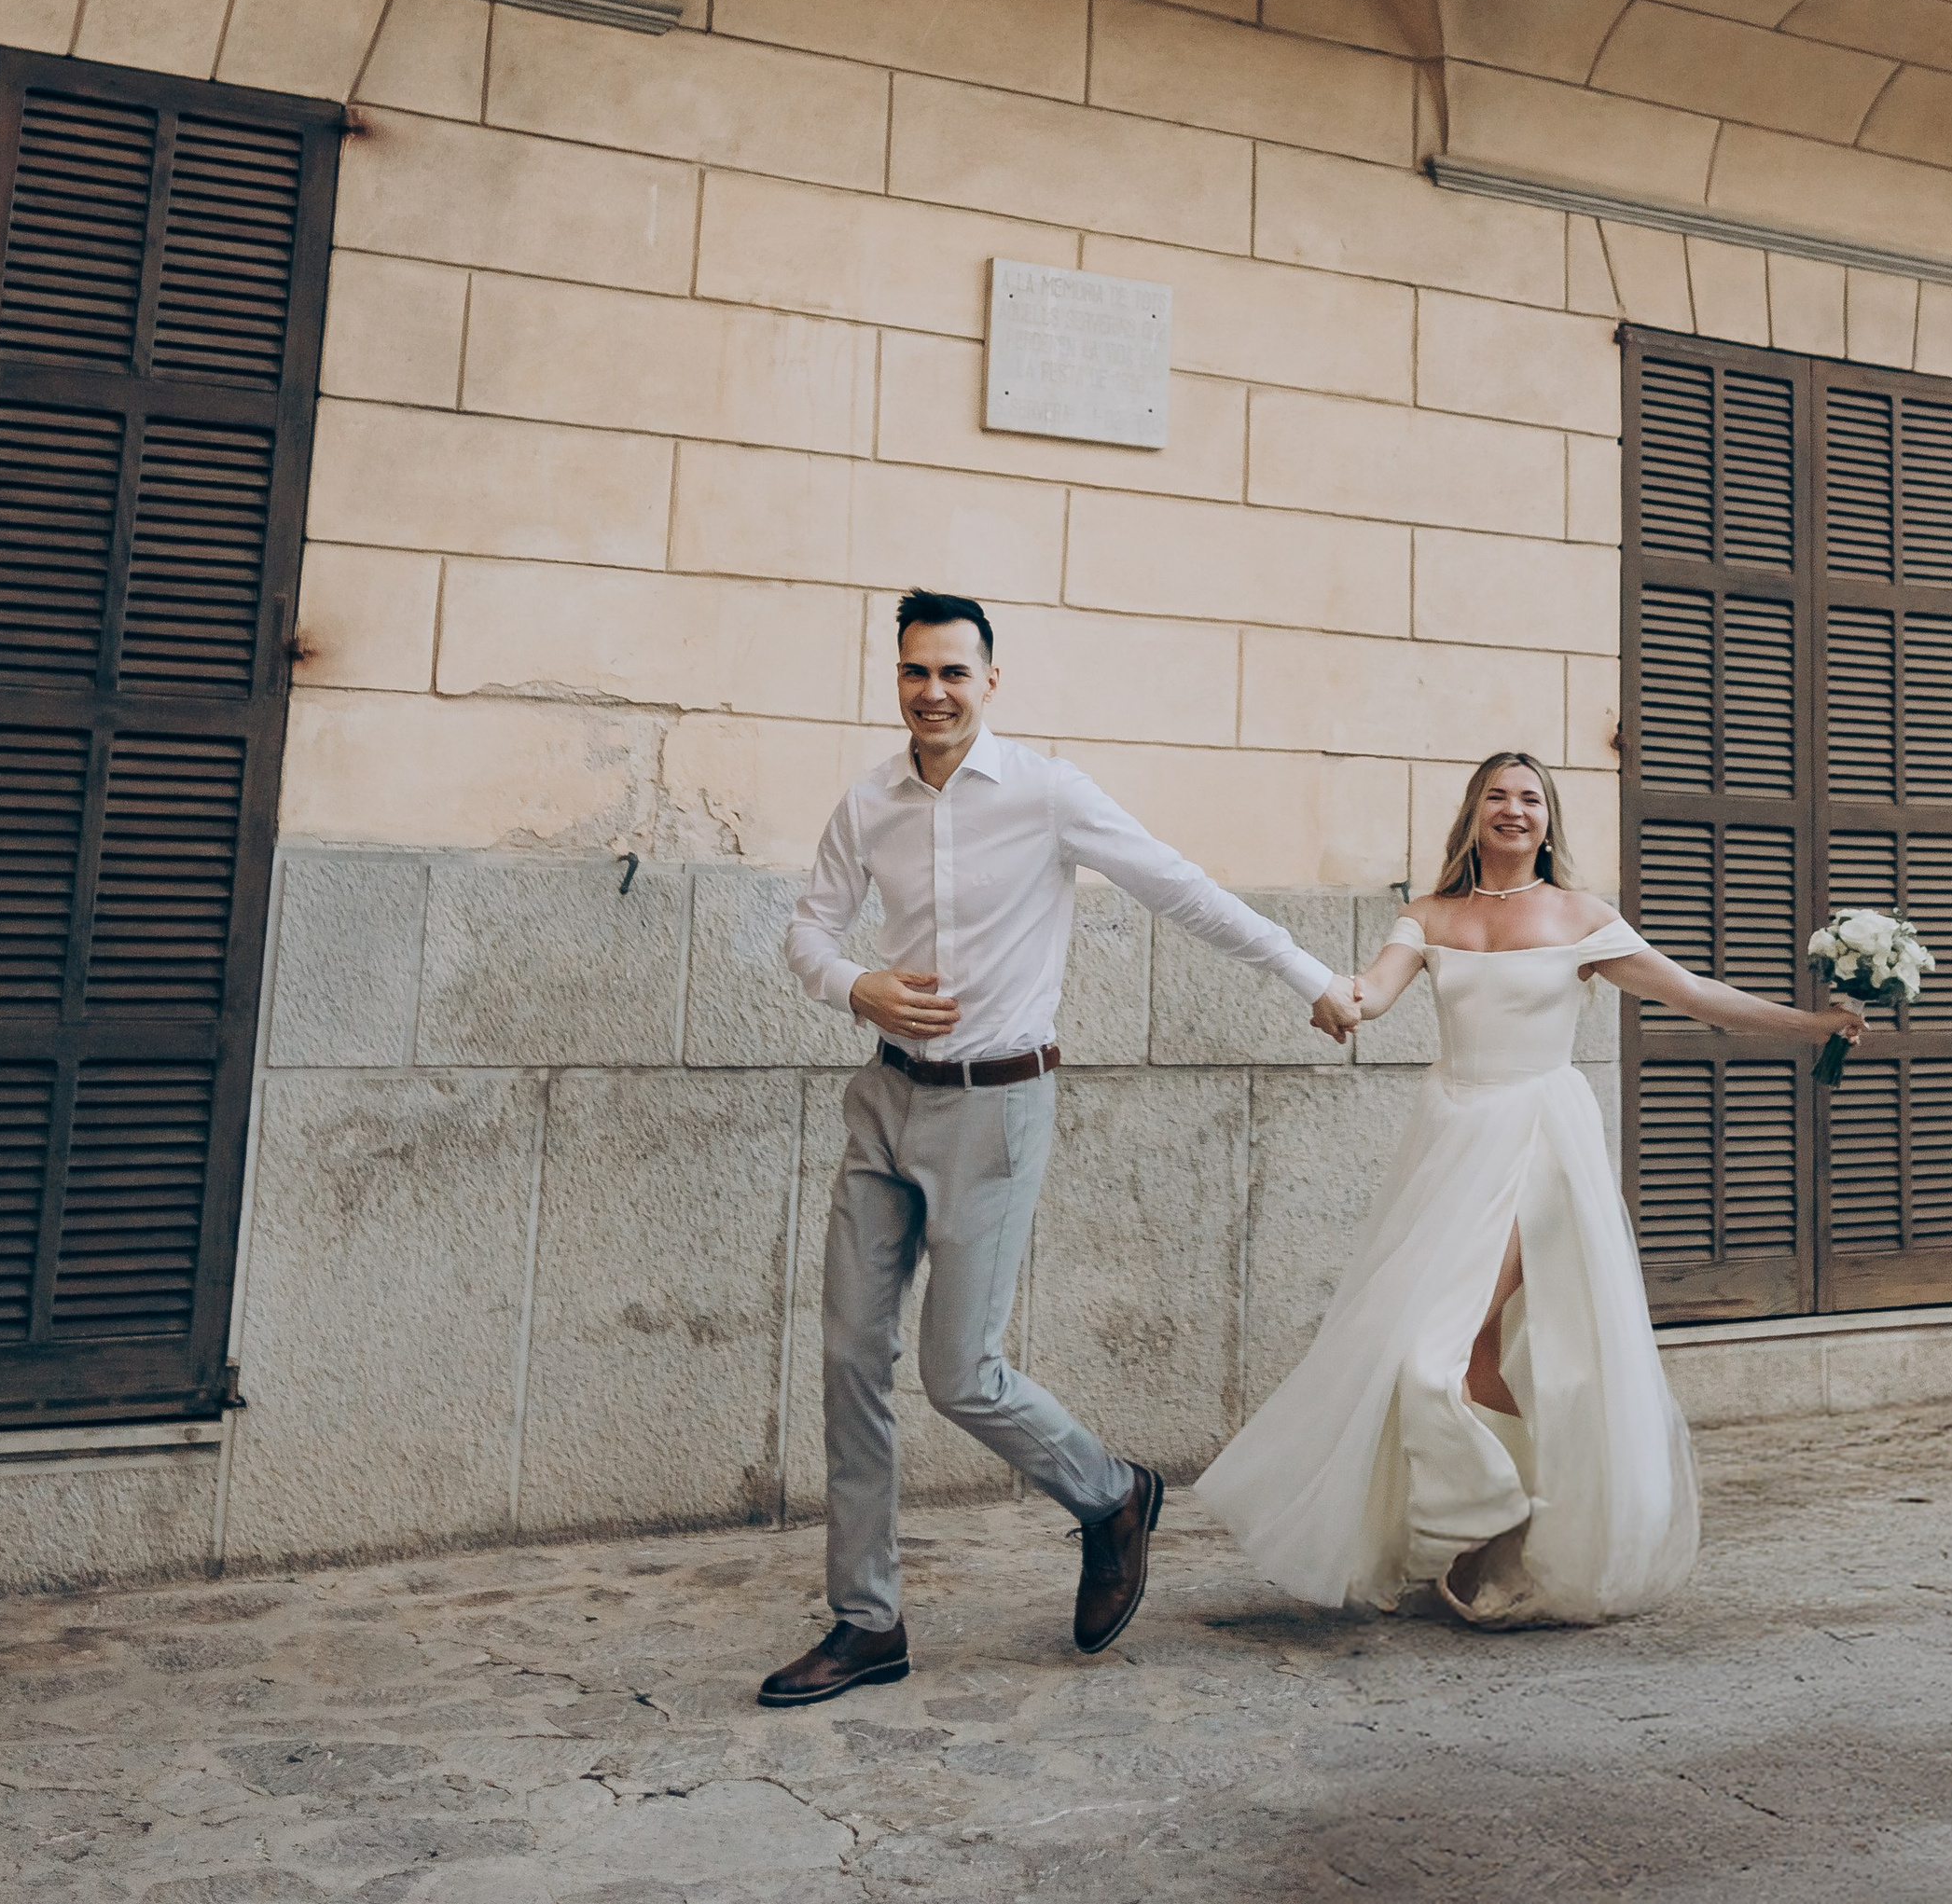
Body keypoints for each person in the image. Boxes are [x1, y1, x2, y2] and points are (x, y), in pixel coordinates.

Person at [761, 587, 1362, 1707]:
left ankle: (1111, 1494)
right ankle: (866, 1620)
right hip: (883, 1102)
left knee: (957, 1372)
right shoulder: (869, 802)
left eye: (953, 672)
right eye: (913, 673)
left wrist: (1310, 976)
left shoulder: (1045, 792)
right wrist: (857, 983)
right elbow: (807, 923)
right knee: (849, 1359)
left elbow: (1177, 885)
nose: (931, 692)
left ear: (991, 681)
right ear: (894, 680)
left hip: (996, 1108)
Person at [1198, 748, 1863, 1626]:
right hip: (1449, 1141)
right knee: (1463, 1353)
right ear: (1474, 814)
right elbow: (1372, 993)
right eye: (1498, 797)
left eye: (1532, 798)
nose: (1514, 810)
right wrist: (1327, 994)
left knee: (1444, 1344)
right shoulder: (1427, 915)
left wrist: (1812, 1023)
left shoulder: (1582, 916)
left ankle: (1498, 1516)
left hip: (1538, 1140)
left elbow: (1692, 993)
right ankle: (1497, 1521)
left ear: (1549, 821)